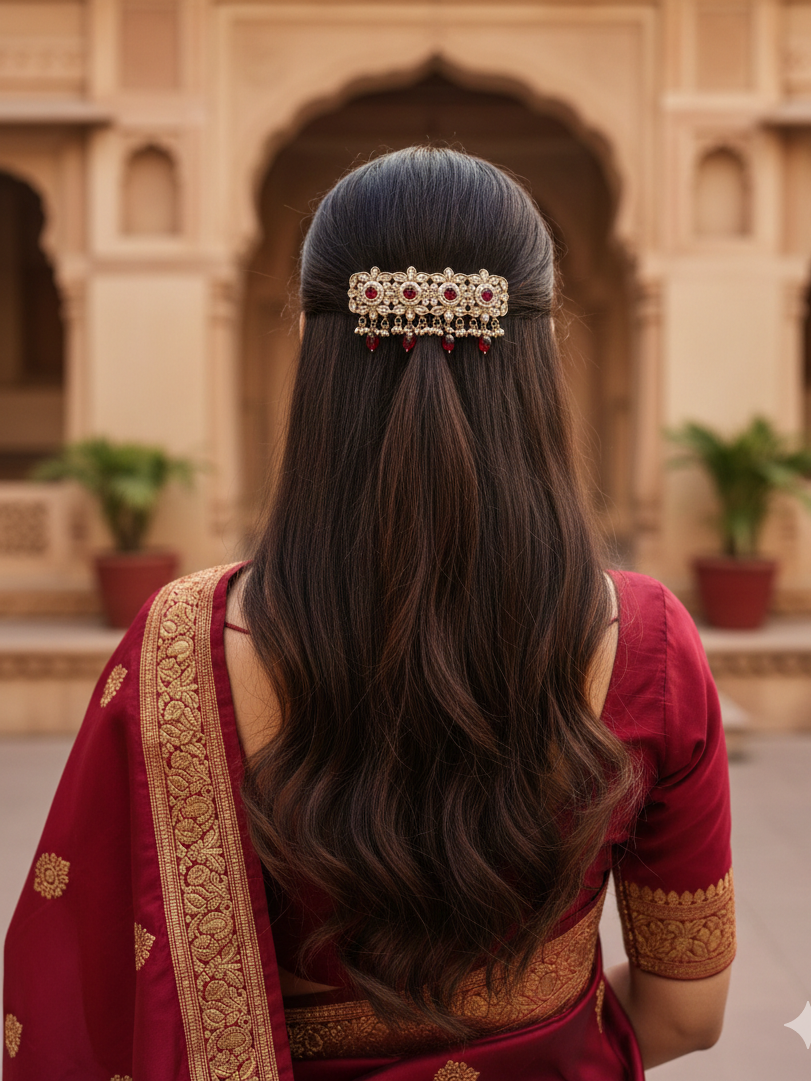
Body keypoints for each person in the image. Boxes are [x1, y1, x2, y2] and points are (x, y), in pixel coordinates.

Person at [3, 147, 734, 1081]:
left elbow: (77, 994)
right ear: (540, 352)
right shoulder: (649, 643)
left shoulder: (186, 646)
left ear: (316, 356)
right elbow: (688, 1012)